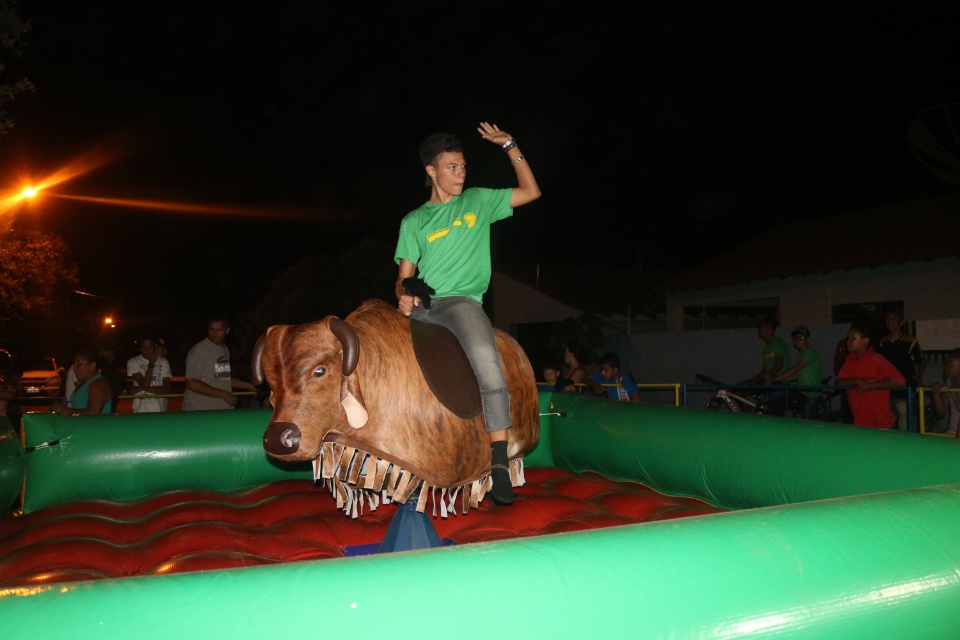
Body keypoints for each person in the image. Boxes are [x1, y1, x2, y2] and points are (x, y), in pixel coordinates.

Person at [395, 122, 541, 506]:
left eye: (463, 166)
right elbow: (403, 279)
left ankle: (497, 463)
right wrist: (404, 297)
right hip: (425, 307)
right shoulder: (414, 221)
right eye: (452, 167)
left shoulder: (477, 200)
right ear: (432, 171)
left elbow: (531, 191)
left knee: (487, 365)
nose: (461, 173)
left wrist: (510, 144)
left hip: (461, 304)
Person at [836, 320, 905, 429]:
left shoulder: (876, 359)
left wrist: (871, 385)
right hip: (860, 421)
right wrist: (858, 381)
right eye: (848, 339)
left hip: (882, 422)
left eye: (853, 339)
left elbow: (900, 381)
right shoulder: (850, 359)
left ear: (865, 341)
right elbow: (839, 382)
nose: (848, 342)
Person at [183, 315, 257, 411]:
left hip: (220, 408)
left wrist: (248, 386)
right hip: (201, 410)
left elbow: (222, 377)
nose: (214, 333)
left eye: (219, 330)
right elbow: (191, 383)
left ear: (227, 330)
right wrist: (224, 394)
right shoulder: (199, 351)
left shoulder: (225, 350)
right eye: (211, 329)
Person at [877, 309, 926, 432]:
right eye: (888, 319)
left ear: (901, 322)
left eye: (894, 318)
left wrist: (919, 377)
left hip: (905, 387)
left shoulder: (910, 341)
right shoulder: (883, 342)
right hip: (887, 388)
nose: (890, 321)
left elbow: (921, 361)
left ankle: (910, 447)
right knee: (889, 422)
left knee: (906, 422)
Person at [770, 326, 822, 419]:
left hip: (811, 394)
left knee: (809, 423)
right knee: (774, 399)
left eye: (801, 338)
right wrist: (778, 378)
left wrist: (774, 378)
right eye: (795, 338)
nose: (797, 340)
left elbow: (795, 369)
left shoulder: (810, 352)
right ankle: (782, 422)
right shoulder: (802, 354)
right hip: (801, 390)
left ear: (808, 340)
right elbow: (798, 375)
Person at [50, 348, 113, 416]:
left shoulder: (98, 385)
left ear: (92, 365)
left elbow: (94, 413)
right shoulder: (86, 383)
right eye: (74, 364)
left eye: (79, 365)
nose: (75, 368)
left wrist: (63, 410)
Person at [126, 332, 172, 413]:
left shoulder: (164, 362)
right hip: (139, 411)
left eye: (150, 348)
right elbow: (144, 384)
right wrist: (151, 365)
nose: (146, 351)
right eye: (144, 348)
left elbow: (166, 390)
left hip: (159, 410)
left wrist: (139, 388)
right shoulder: (133, 362)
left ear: (156, 346)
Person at [746, 316, 791, 385]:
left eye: (761, 327)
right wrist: (755, 378)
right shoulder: (766, 348)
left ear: (768, 329)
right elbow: (765, 370)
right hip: (771, 380)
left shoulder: (777, 343)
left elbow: (779, 364)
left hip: (780, 381)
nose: (759, 329)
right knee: (745, 386)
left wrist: (768, 376)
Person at [930, 349, 960, 437]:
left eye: (950, 365)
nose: (946, 368)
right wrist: (936, 393)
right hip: (952, 431)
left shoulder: (950, 386)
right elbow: (942, 411)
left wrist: (951, 392)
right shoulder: (949, 382)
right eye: (945, 365)